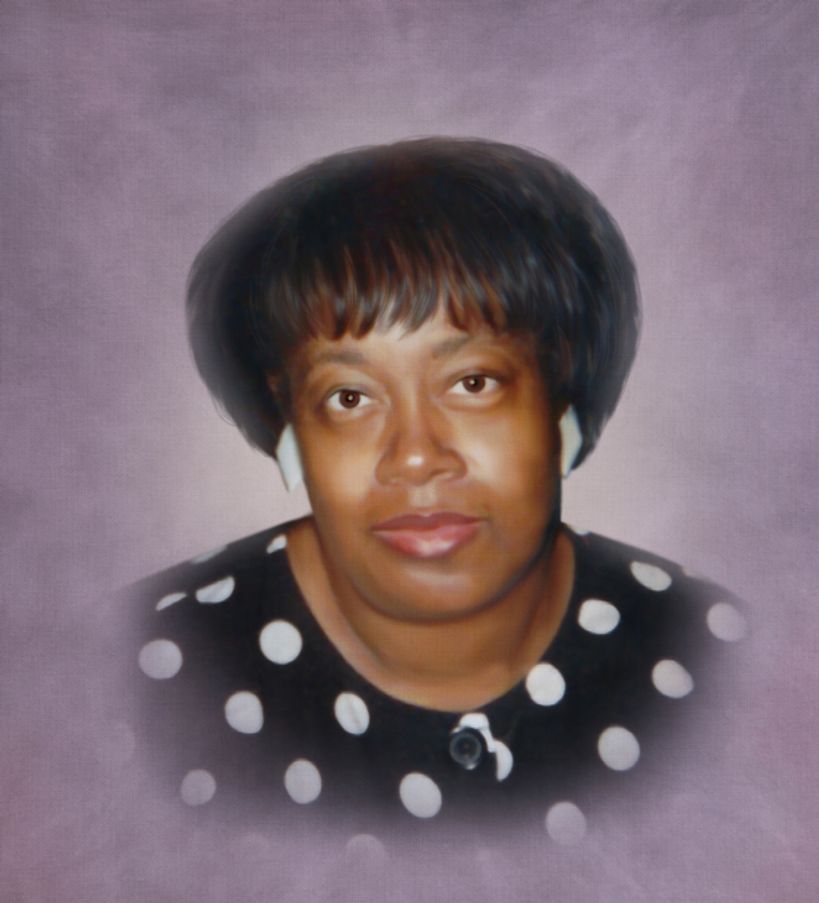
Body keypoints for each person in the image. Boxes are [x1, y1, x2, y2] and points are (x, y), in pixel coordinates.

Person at [128, 138, 747, 841]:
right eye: (349, 398)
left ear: (561, 398)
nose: (416, 458)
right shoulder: (139, 675)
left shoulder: (724, 662)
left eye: (473, 383)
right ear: (288, 425)